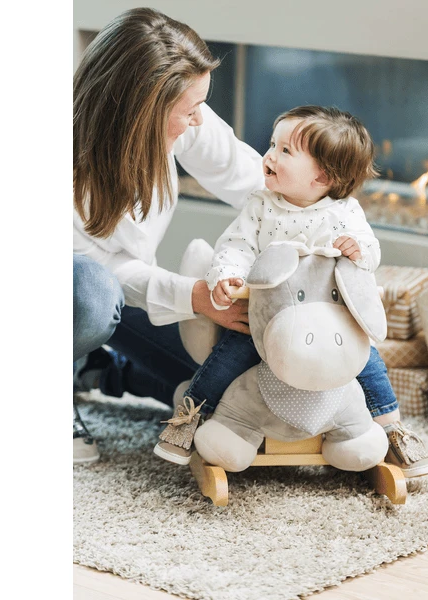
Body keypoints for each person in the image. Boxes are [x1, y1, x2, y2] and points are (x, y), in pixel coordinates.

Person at [154, 106, 428, 478]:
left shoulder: (344, 212)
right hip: (268, 318)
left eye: (285, 150)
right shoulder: (261, 205)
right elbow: (236, 245)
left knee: (367, 360)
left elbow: (370, 251)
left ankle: (391, 429)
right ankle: (191, 415)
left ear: (323, 176)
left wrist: (357, 250)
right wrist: (227, 275)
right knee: (228, 355)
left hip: (329, 319)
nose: (269, 156)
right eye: (273, 145)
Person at [73, 7, 265, 463]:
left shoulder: (181, 114)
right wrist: (194, 296)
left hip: (127, 291)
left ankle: (94, 369)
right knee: (91, 295)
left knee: (215, 390)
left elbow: (254, 181)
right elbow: (102, 268)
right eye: (190, 110)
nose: (199, 120)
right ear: (140, 111)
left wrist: (326, 223)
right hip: (74, 288)